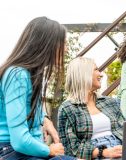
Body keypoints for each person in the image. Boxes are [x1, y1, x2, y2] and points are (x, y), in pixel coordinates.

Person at [58, 57, 126, 160]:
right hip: (98, 154)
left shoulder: (109, 102)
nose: (101, 74)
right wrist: (103, 152)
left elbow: (124, 129)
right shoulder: (67, 108)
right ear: (83, 74)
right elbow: (70, 148)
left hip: (123, 149)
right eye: (96, 70)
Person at [0, 17, 74, 159]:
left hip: (22, 150)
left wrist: (45, 119)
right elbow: (19, 141)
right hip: (10, 151)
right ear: (46, 44)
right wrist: (49, 150)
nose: (66, 49)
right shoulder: (17, 75)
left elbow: (26, 106)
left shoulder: (30, 74)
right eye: (63, 43)